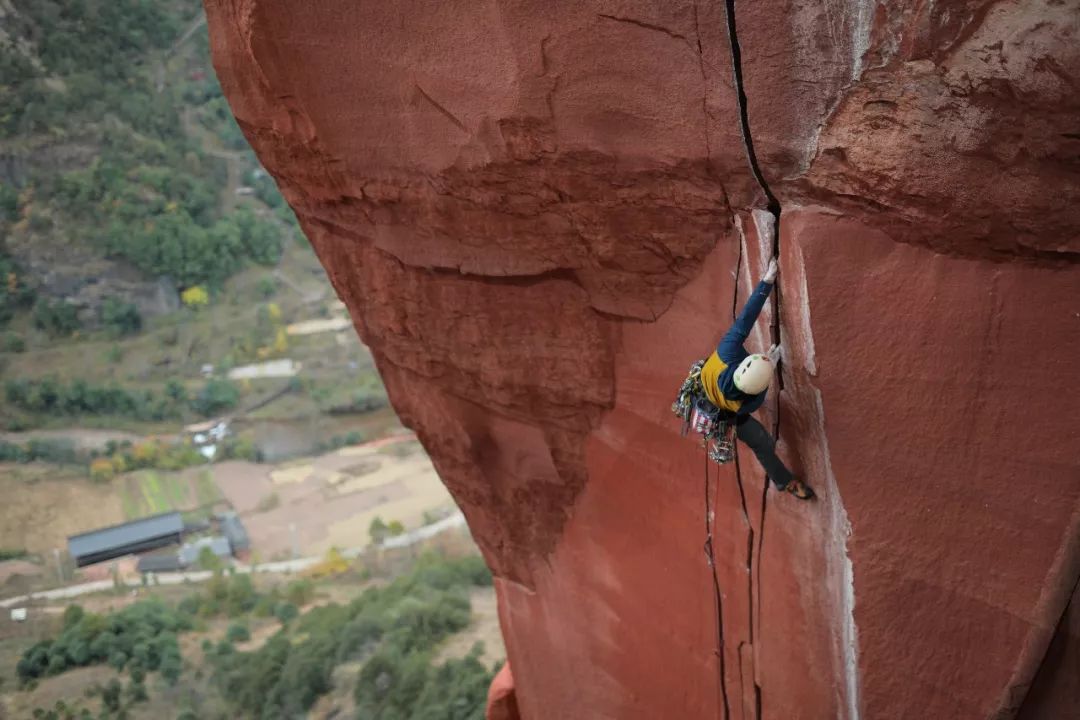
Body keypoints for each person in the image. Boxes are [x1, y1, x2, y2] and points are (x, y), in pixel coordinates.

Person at [699, 258, 815, 500]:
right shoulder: (746, 403)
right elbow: (757, 395)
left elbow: (746, 318)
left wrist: (766, 281)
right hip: (724, 414)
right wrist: (770, 368)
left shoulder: (728, 350)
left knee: (760, 441)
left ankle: (785, 482)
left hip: (707, 384)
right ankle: (786, 482)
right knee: (761, 441)